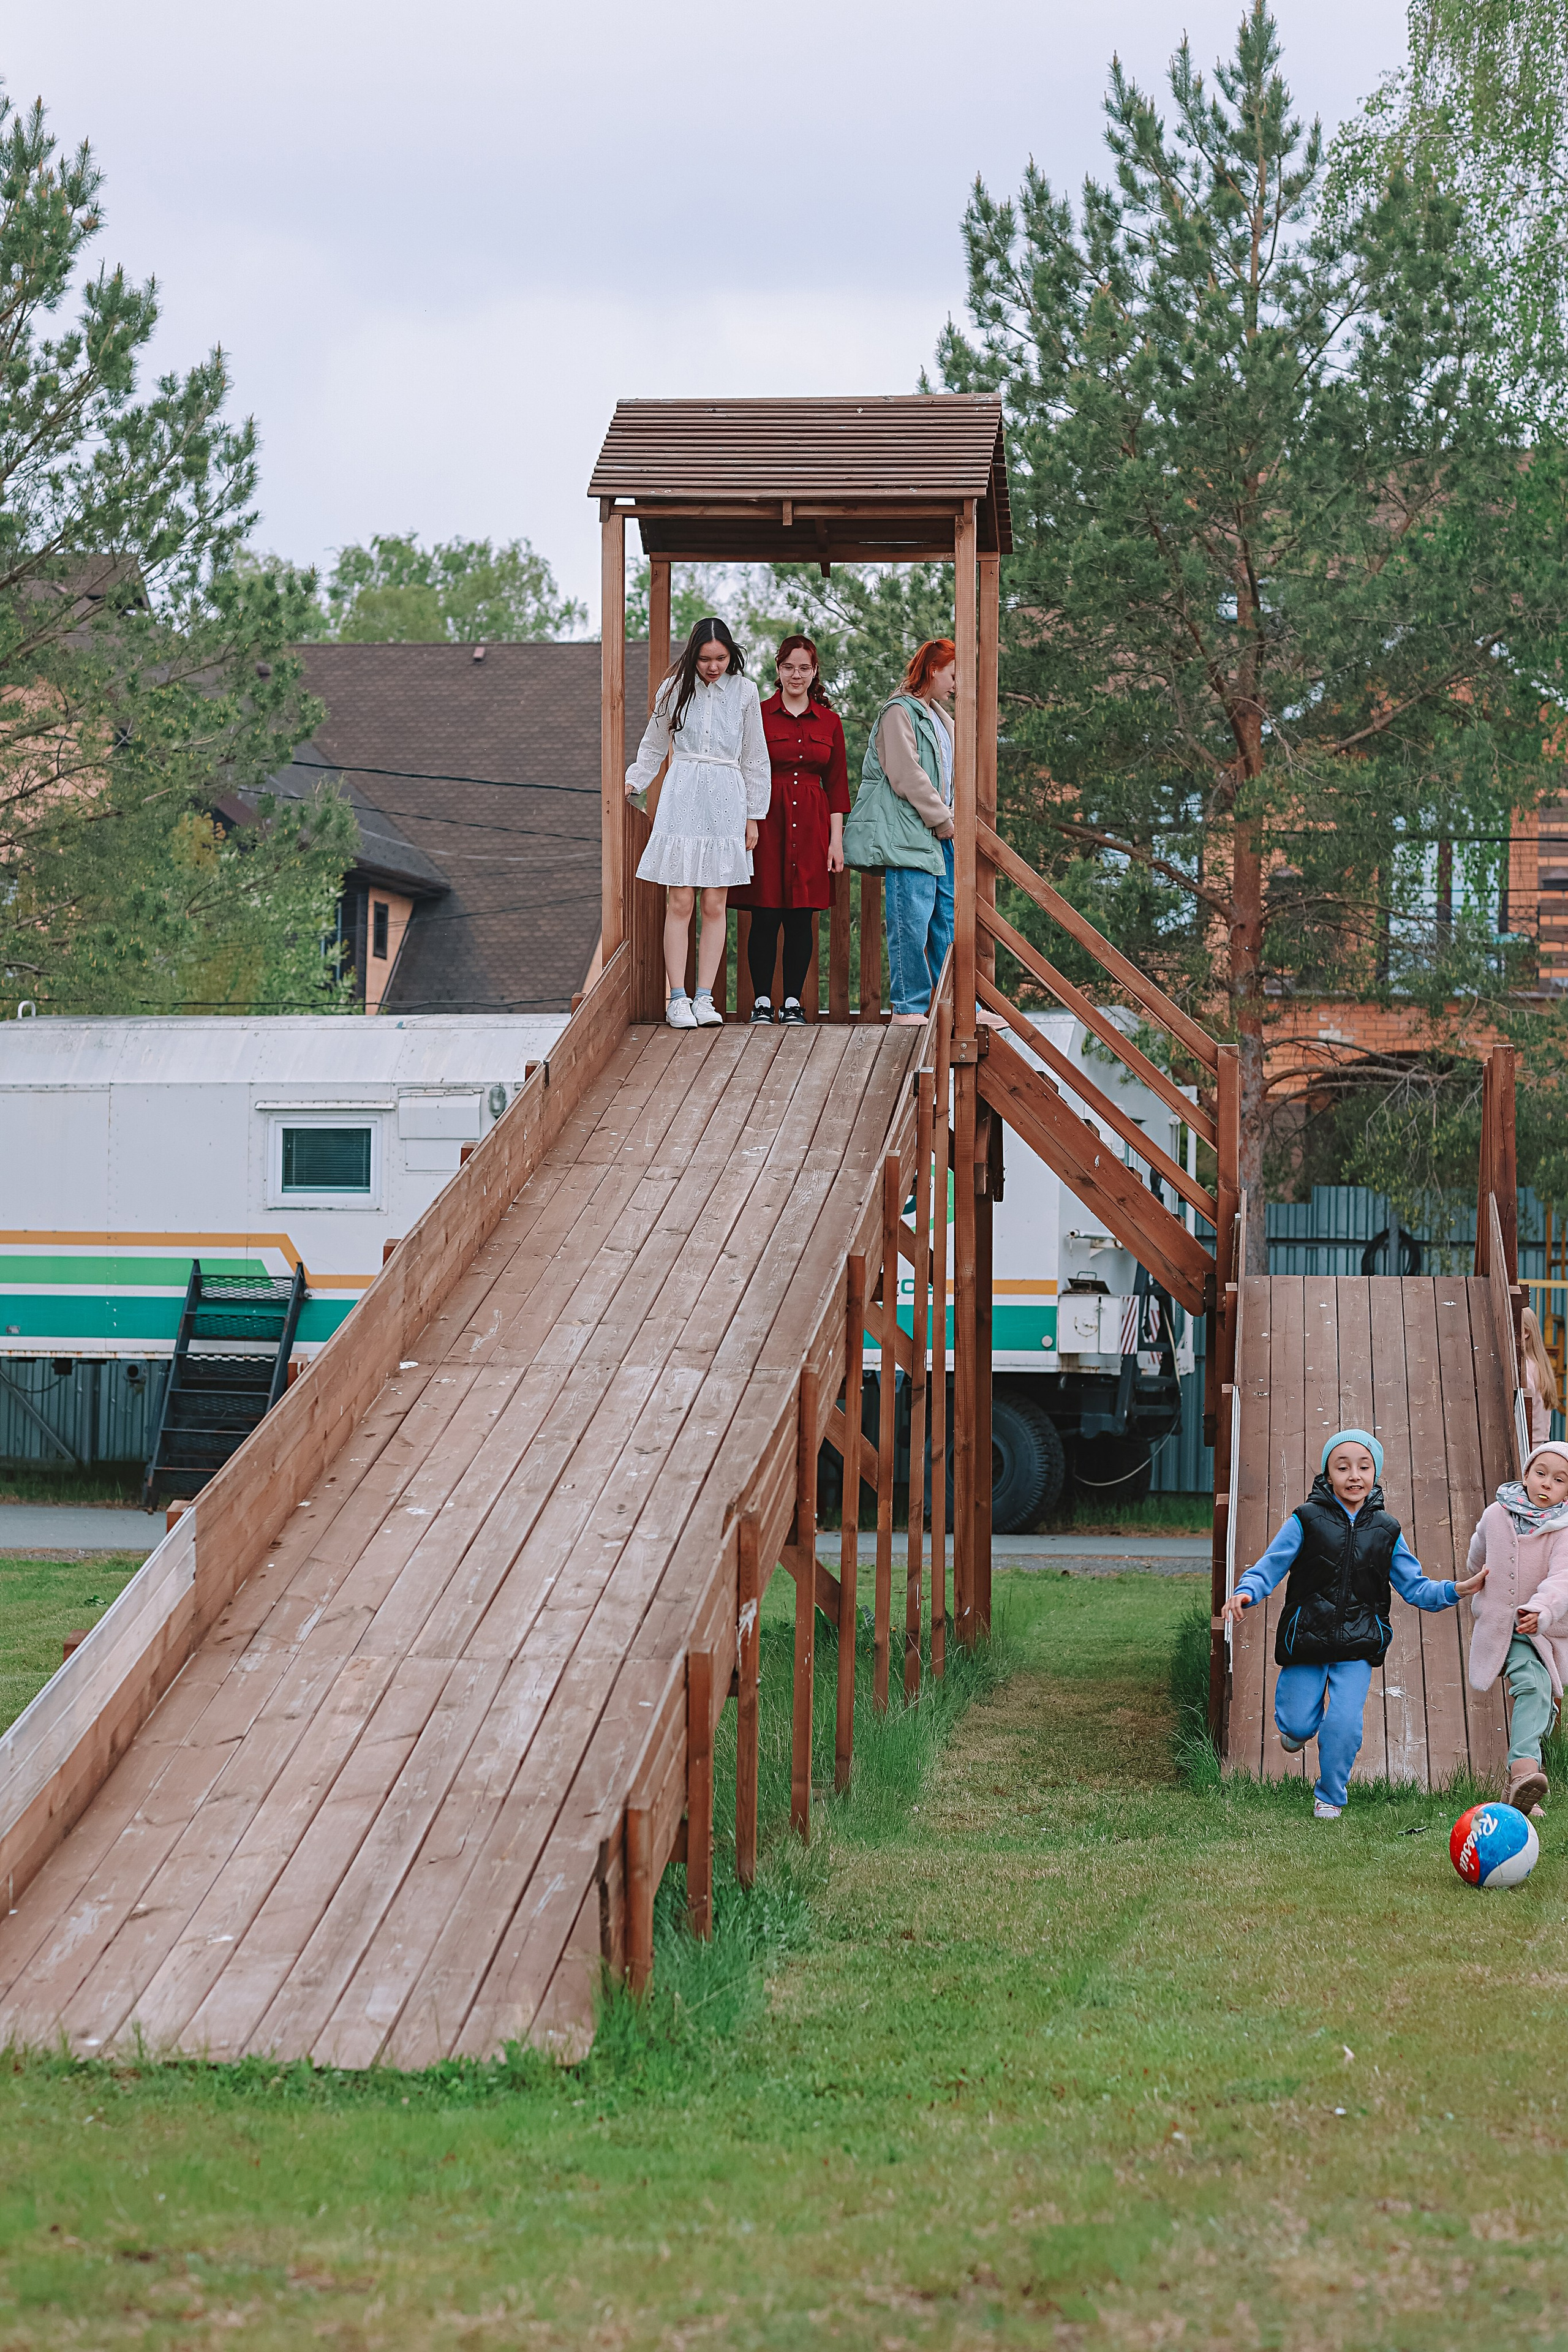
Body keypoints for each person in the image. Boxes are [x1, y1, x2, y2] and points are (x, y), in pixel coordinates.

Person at [1220, 1429, 1486, 1819]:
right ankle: (1295, 1732)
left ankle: (1330, 1796)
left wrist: (1458, 1589)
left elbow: (1415, 1587)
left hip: (1358, 1643)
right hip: (1307, 1638)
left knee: (1343, 1724)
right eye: (1342, 1467)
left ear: (1375, 1474)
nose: (1354, 1475)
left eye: (1363, 1467)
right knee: (1296, 1722)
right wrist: (1246, 1592)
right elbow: (1271, 1565)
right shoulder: (1305, 1519)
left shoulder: (1387, 1530)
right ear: (1328, 1475)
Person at [625, 617, 770, 1030]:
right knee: (681, 900)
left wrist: (754, 816)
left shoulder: (745, 692)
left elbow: (755, 758)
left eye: (721, 658)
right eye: (705, 658)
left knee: (715, 902)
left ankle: (705, 997)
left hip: (727, 796)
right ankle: (678, 998)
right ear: (694, 656)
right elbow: (653, 747)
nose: (713, 666)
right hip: (683, 792)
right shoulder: (673, 689)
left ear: (731, 655)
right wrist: (634, 780)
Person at [729, 634, 850, 1026]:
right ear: (778, 671)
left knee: (801, 917)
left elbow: (837, 786)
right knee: (765, 916)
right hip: (767, 824)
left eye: (804, 668)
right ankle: (762, 1000)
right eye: (788, 667)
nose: (796, 675)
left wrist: (836, 842)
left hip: (813, 827)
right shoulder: (759, 715)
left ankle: (793, 1001)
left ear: (814, 673)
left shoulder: (830, 722)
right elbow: (743, 771)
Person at [842, 639, 956, 1025]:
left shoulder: (939, 717)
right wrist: (942, 818)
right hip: (911, 833)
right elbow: (906, 773)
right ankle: (909, 1006)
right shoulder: (898, 713)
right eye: (954, 675)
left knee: (946, 921)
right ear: (934, 670)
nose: (956, 685)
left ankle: (955, 1007)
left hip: (942, 834)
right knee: (911, 919)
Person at [1463, 1439, 1568, 1815]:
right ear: (1526, 1475)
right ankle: (1524, 1773)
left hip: (1539, 1625)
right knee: (1532, 1683)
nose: (1546, 1484)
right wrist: (1475, 1579)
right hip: (1501, 1624)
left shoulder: (1562, 1530)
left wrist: (1542, 1610)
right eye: (1540, 1474)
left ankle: (1522, 1782)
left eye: (1559, 1480)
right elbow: (1479, 1550)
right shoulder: (1496, 1514)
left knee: (1542, 1695)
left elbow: (1563, 1579)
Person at [1521, 1308, 1559, 1450]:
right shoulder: (1540, 1366)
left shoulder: (1524, 1367)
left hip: (1525, 1443)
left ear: (1526, 1333)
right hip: (1538, 1442)